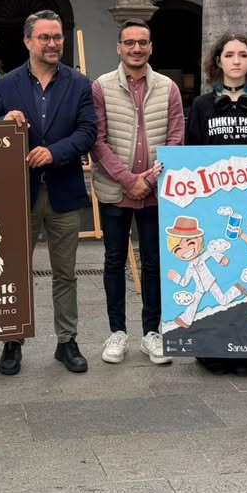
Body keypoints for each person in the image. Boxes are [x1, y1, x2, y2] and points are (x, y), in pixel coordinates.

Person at [0, 10, 97, 376]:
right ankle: (12, 340)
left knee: (65, 273)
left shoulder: (80, 84)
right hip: (19, 192)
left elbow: (88, 132)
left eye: (57, 37)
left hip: (64, 190)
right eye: (45, 37)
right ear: (27, 41)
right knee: (15, 272)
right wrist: (3, 124)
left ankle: (67, 341)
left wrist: (55, 152)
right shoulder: (6, 85)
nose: (53, 44)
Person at [184, 32, 247, 376]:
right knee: (222, 276)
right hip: (213, 206)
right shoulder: (202, 106)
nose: (236, 61)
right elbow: (190, 155)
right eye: (229, 55)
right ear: (218, 61)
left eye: (242, 55)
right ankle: (213, 350)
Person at [92, 19, 184, 366]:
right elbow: (97, 141)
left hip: (156, 192)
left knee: (155, 262)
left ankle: (152, 333)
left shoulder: (168, 88)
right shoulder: (101, 87)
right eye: (129, 43)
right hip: (115, 191)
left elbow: (176, 138)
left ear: (151, 47)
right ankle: (117, 332)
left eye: (142, 43)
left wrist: (151, 179)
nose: (136, 49)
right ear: (119, 47)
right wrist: (129, 179)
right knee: (114, 261)